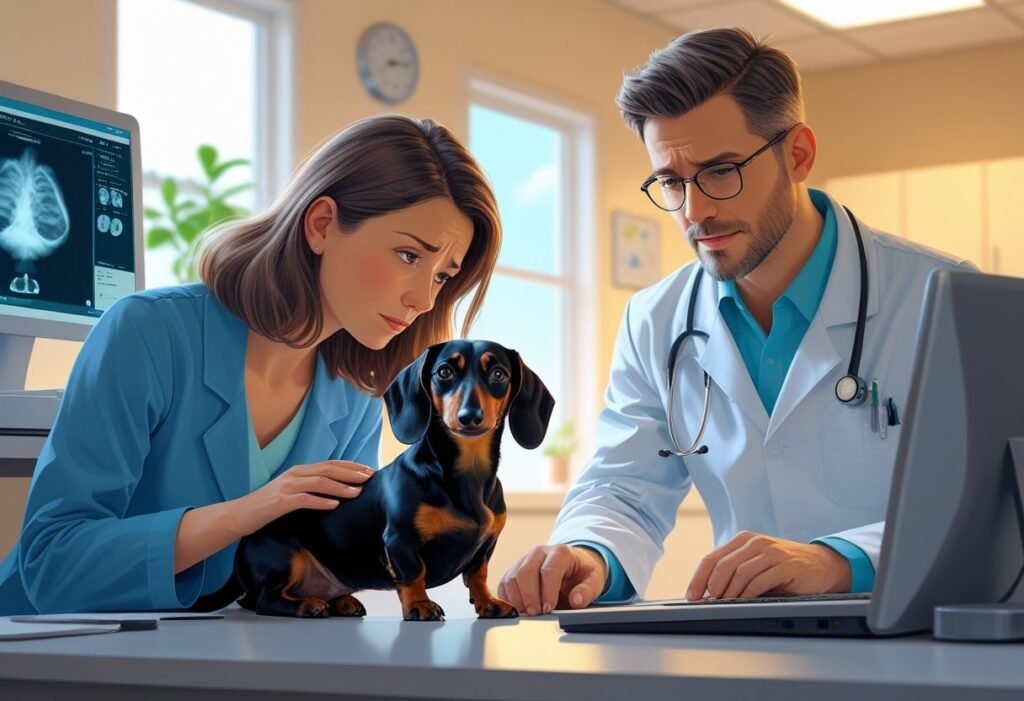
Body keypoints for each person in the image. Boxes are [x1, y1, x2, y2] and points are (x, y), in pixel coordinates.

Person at [499, 27, 976, 616]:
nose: (695, 211)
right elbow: (624, 487)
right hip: (747, 645)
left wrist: (834, 561)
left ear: (797, 155)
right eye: (672, 182)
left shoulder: (943, 295)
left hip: (912, 641)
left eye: (721, 170)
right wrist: (589, 555)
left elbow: (982, 501)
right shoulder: (655, 321)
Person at [0, 115, 501, 615]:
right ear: (322, 225)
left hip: (208, 652)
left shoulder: (356, 394)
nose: (422, 298)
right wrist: (251, 510)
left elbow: (324, 566)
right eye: (409, 255)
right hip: (38, 648)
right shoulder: (148, 333)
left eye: (441, 277)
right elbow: (51, 564)